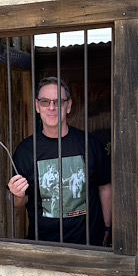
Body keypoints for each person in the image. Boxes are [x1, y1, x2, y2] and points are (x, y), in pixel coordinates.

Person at [8, 77, 112, 246]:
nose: (51, 107)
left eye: (58, 102)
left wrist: (107, 228)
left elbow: (105, 187)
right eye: (45, 101)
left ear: (68, 106)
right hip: (43, 245)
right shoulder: (26, 150)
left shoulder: (89, 143)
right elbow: (17, 202)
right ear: (37, 106)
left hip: (88, 245)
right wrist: (16, 195)